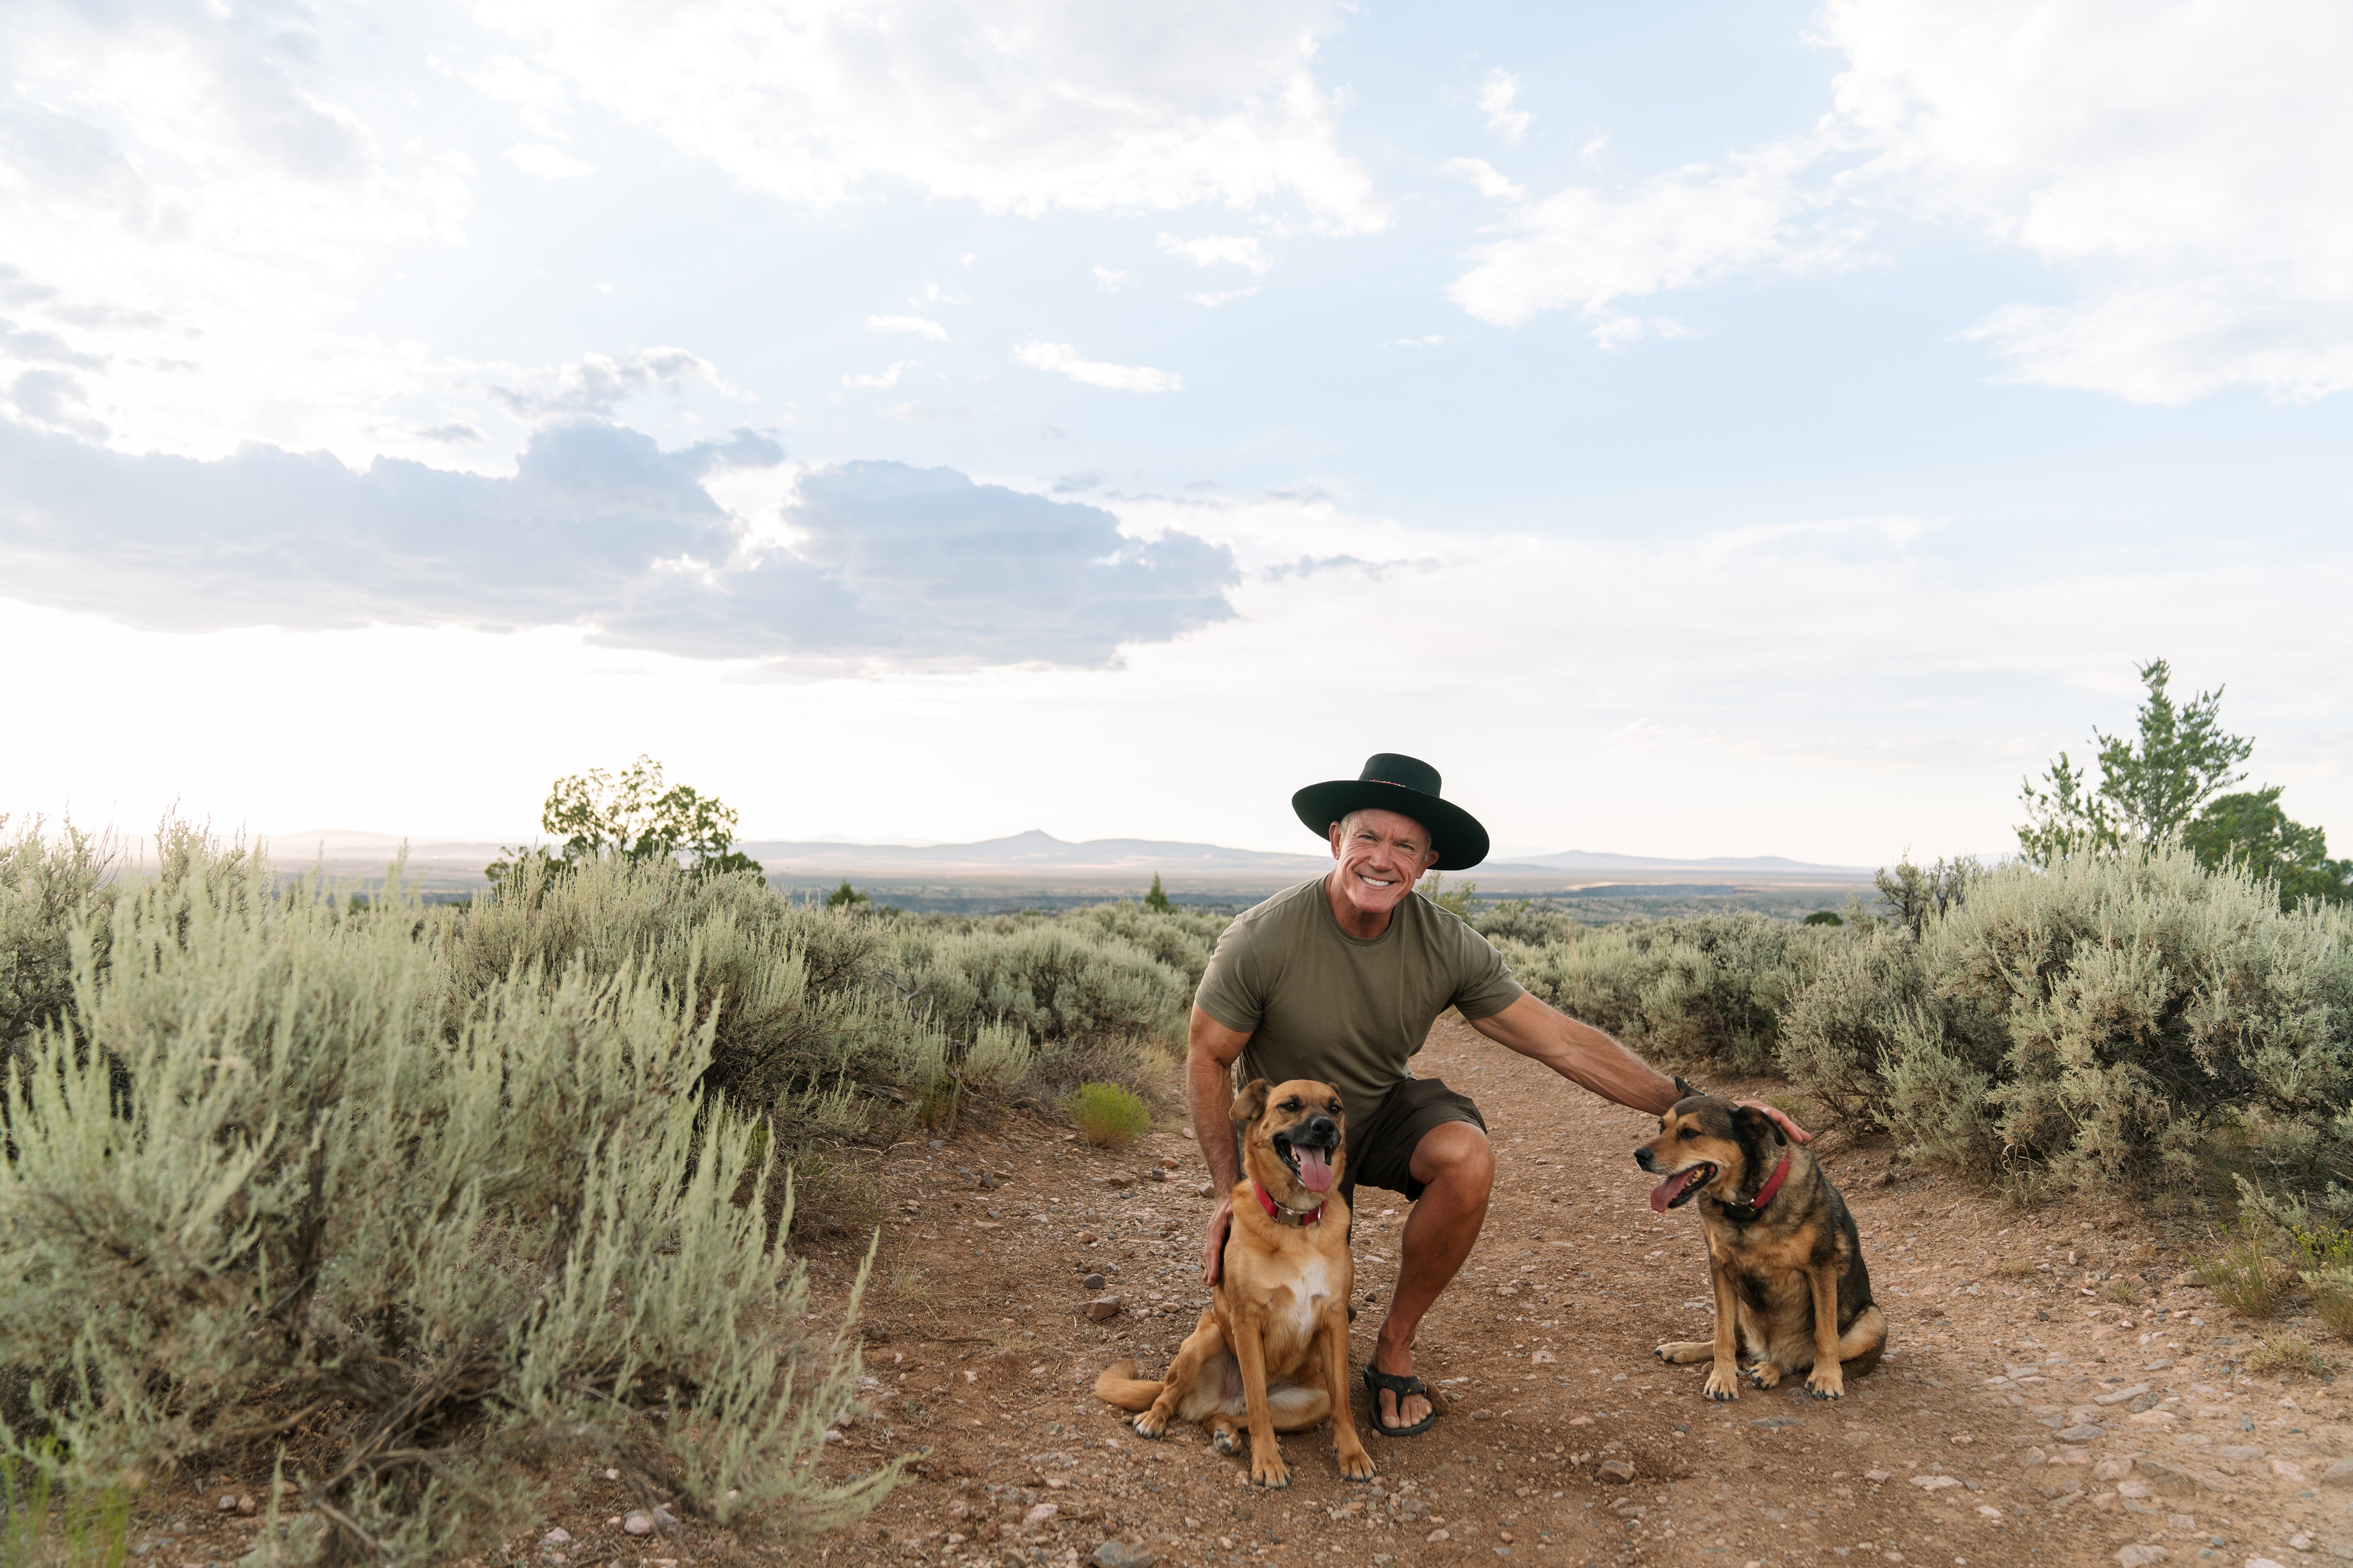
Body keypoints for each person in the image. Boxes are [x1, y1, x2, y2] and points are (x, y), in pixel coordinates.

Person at [1187, 753, 1807, 1437]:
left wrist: (1697, 1102)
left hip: (1377, 1109)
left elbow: (1561, 1043)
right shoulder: (1261, 938)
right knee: (1260, 1338)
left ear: (1426, 864)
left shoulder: (1446, 945)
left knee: (1466, 1157)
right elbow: (1208, 1057)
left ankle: (1392, 1347)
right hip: (1289, 1141)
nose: (1381, 859)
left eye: (1404, 846)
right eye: (1367, 837)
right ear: (1335, 839)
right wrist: (1227, 1192)